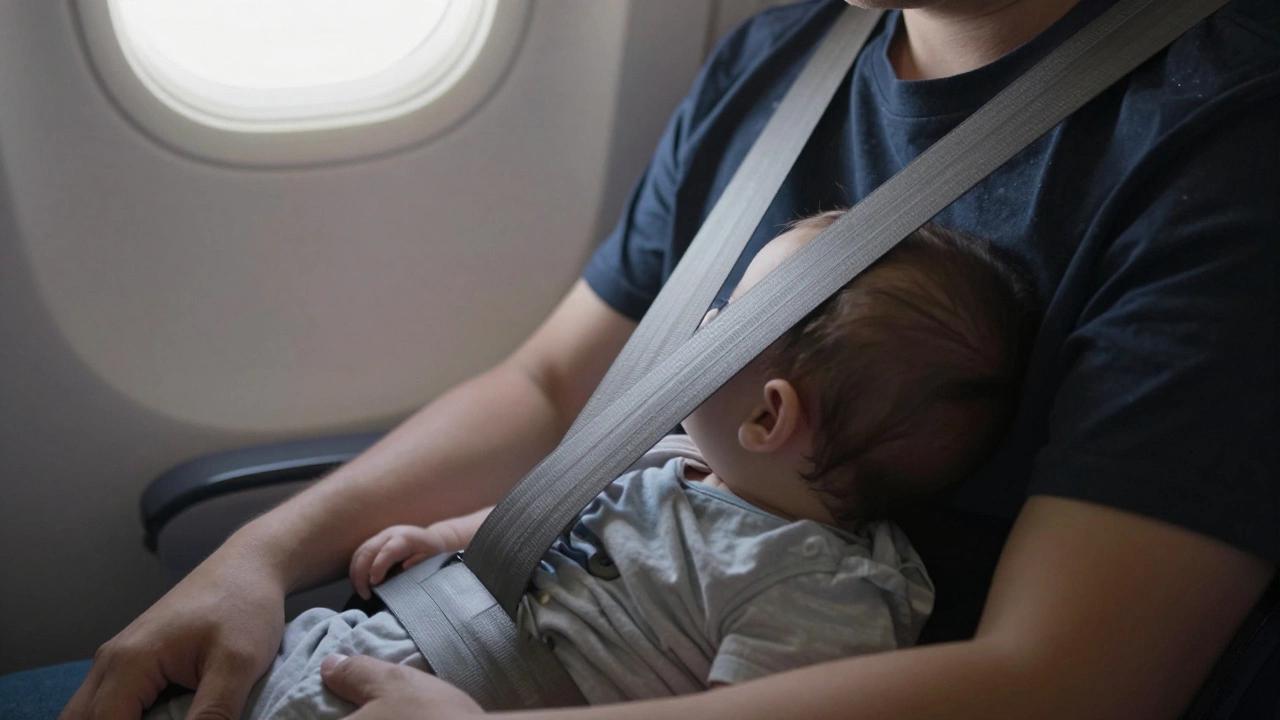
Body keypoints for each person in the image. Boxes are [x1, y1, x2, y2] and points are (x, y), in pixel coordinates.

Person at [57, 0, 1280, 718]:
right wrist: (261, 556)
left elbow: (1063, 682)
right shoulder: (786, 58)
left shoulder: (1217, 147)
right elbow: (552, 391)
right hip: (452, 641)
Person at [142, 213, 1037, 718]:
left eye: (725, 314)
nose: (697, 318)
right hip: (345, 652)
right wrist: (441, 535)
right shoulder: (676, 457)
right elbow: (550, 513)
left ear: (770, 416)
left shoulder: (814, 592)